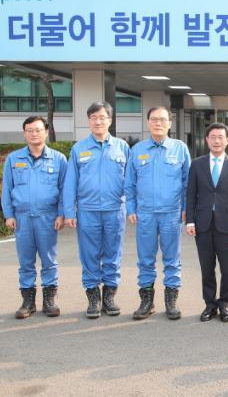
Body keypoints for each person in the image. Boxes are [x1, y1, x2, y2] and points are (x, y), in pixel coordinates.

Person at [63, 101, 130, 319]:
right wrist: (69, 212)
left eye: (102, 117)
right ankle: (93, 298)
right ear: (88, 121)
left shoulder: (122, 147)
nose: (98, 121)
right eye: (94, 118)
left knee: (113, 253)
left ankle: (109, 296)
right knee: (89, 254)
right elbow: (70, 183)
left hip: (115, 209)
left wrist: (132, 208)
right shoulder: (79, 149)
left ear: (110, 120)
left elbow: (131, 181)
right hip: (87, 210)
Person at [125, 106, 191, 320]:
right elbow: (129, 183)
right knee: (145, 259)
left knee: (172, 259)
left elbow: (188, 183)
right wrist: (131, 208)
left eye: (163, 120)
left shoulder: (180, 148)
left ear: (170, 123)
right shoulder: (137, 150)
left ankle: (171, 301)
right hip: (145, 214)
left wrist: (186, 209)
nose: (158, 123)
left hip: (172, 213)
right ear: (148, 123)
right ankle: (146, 301)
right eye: (154, 119)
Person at [1, 116, 67, 319]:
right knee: (26, 261)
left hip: (48, 218)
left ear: (46, 132)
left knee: (49, 260)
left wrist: (61, 214)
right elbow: (7, 189)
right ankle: (28, 302)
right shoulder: (13, 159)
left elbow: (64, 190)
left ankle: (49, 301)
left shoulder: (58, 159)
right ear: (24, 134)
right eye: (29, 130)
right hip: (22, 218)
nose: (34, 134)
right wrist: (9, 215)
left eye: (38, 130)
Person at [186, 123, 228, 323]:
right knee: (206, 267)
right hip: (202, 223)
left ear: (227, 140)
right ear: (206, 140)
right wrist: (190, 221)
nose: (217, 141)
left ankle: (225, 303)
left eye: (221, 137)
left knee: (227, 268)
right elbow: (191, 195)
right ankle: (210, 304)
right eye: (213, 137)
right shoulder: (197, 164)